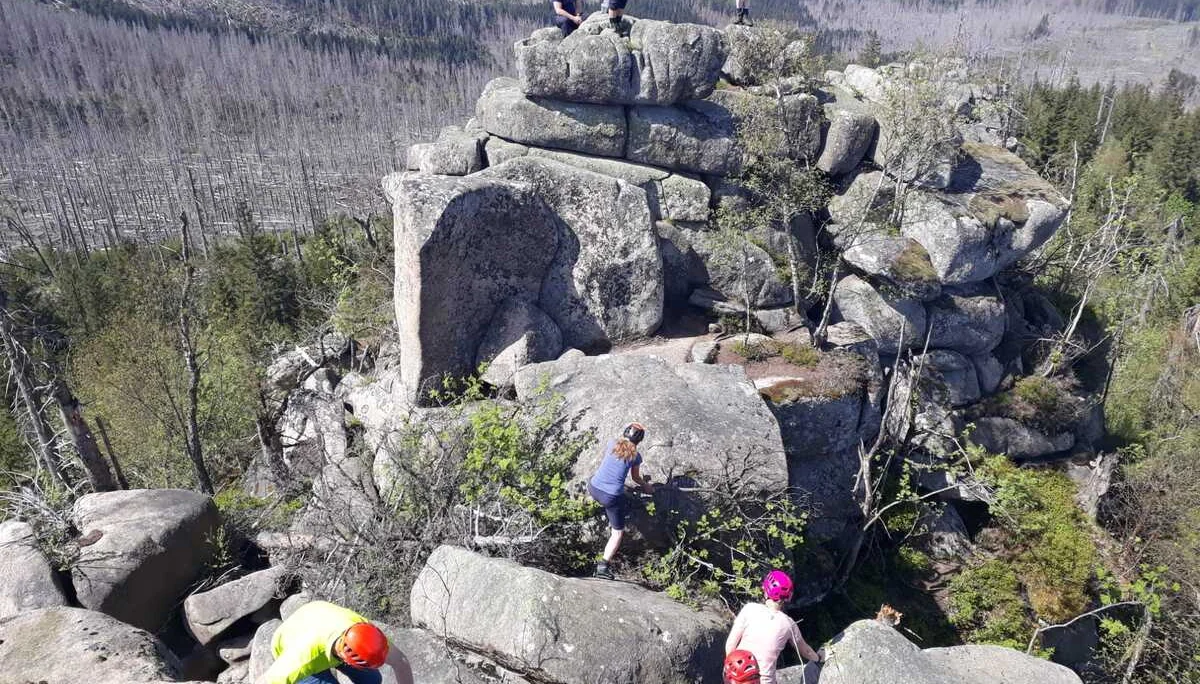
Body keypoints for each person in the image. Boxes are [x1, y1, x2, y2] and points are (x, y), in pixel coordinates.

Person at [256, 600, 413, 684]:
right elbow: (267, 680)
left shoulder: (366, 632)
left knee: (372, 680)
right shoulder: (302, 659)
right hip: (287, 640)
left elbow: (401, 661)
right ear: (345, 658)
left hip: (317, 614)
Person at [725, 570, 822, 684]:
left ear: (766, 590)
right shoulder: (788, 624)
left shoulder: (749, 609)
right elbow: (806, 651)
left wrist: (732, 672)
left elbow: (730, 644)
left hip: (737, 677)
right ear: (787, 598)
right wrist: (819, 658)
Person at [587, 422, 654, 579]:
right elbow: (636, 478)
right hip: (610, 497)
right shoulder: (636, 456)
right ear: (640, 440)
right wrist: (647, 486)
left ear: (625, 432)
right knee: (617, 533)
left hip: (593, 488)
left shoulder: (611, 443)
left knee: (602, 482)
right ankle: (602, 567)